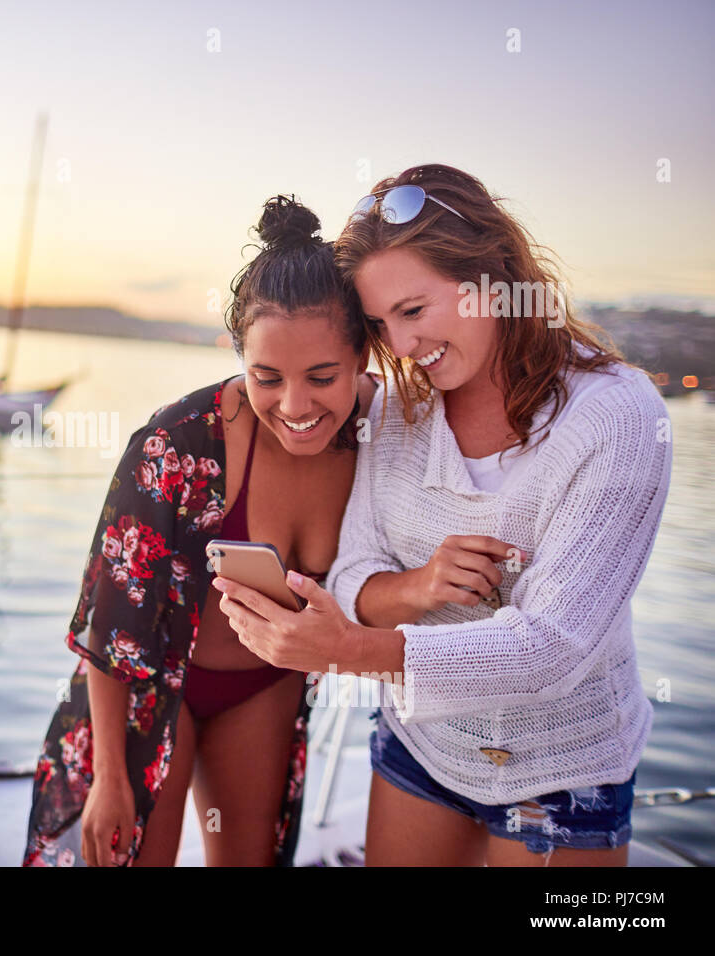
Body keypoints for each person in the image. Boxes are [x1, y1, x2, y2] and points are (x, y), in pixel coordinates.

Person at [213, 164, 671, 866]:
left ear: (492, 279)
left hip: (562, 775)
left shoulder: (617, 414)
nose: (399, 347)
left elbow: (552, 650)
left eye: (414, 310)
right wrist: (419, 586)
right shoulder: (400, 409)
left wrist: (347, 651)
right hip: (421, 749)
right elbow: (354, 571)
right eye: (378, 323)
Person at [21, 195, 376, 866]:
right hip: (150, 686)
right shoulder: (175, 443)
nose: (296, 407)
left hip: (264, 688)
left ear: (362, 353)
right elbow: (110, 620)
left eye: (323, 377)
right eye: (267, 377)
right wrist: (110, 777)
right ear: (239, 355)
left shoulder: (389, 436)